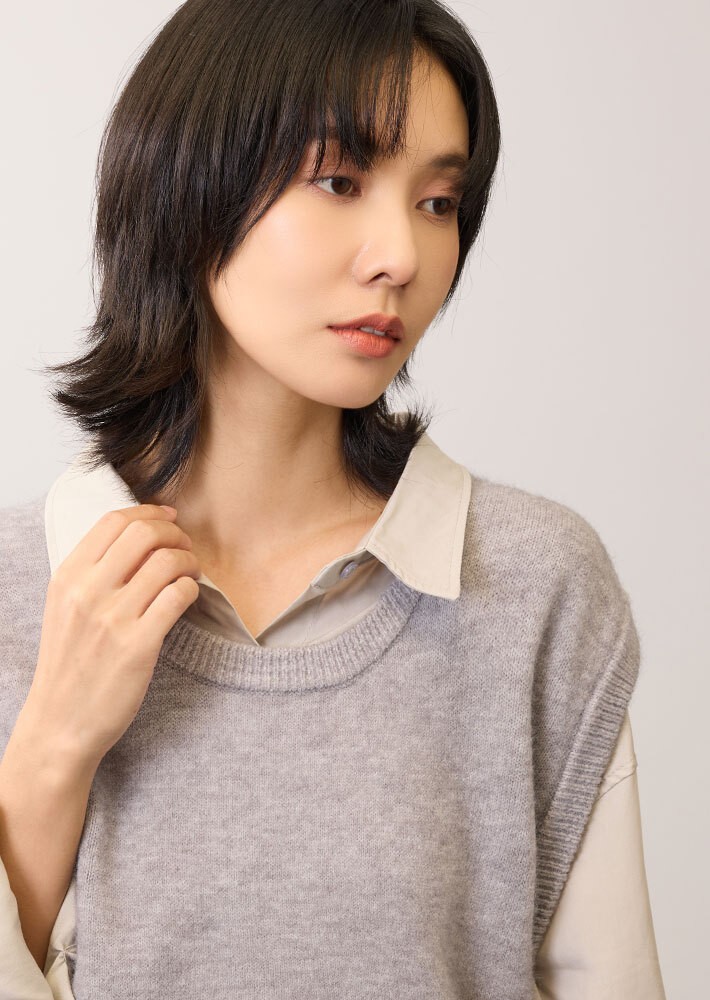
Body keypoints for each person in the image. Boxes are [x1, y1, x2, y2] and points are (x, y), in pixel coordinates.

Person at [0, 1, 666, 998]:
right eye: (340, 180)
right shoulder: (21, 587)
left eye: (437, 202)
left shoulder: (533, 585)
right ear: (190, 181)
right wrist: (55, 743)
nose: (401, 255)